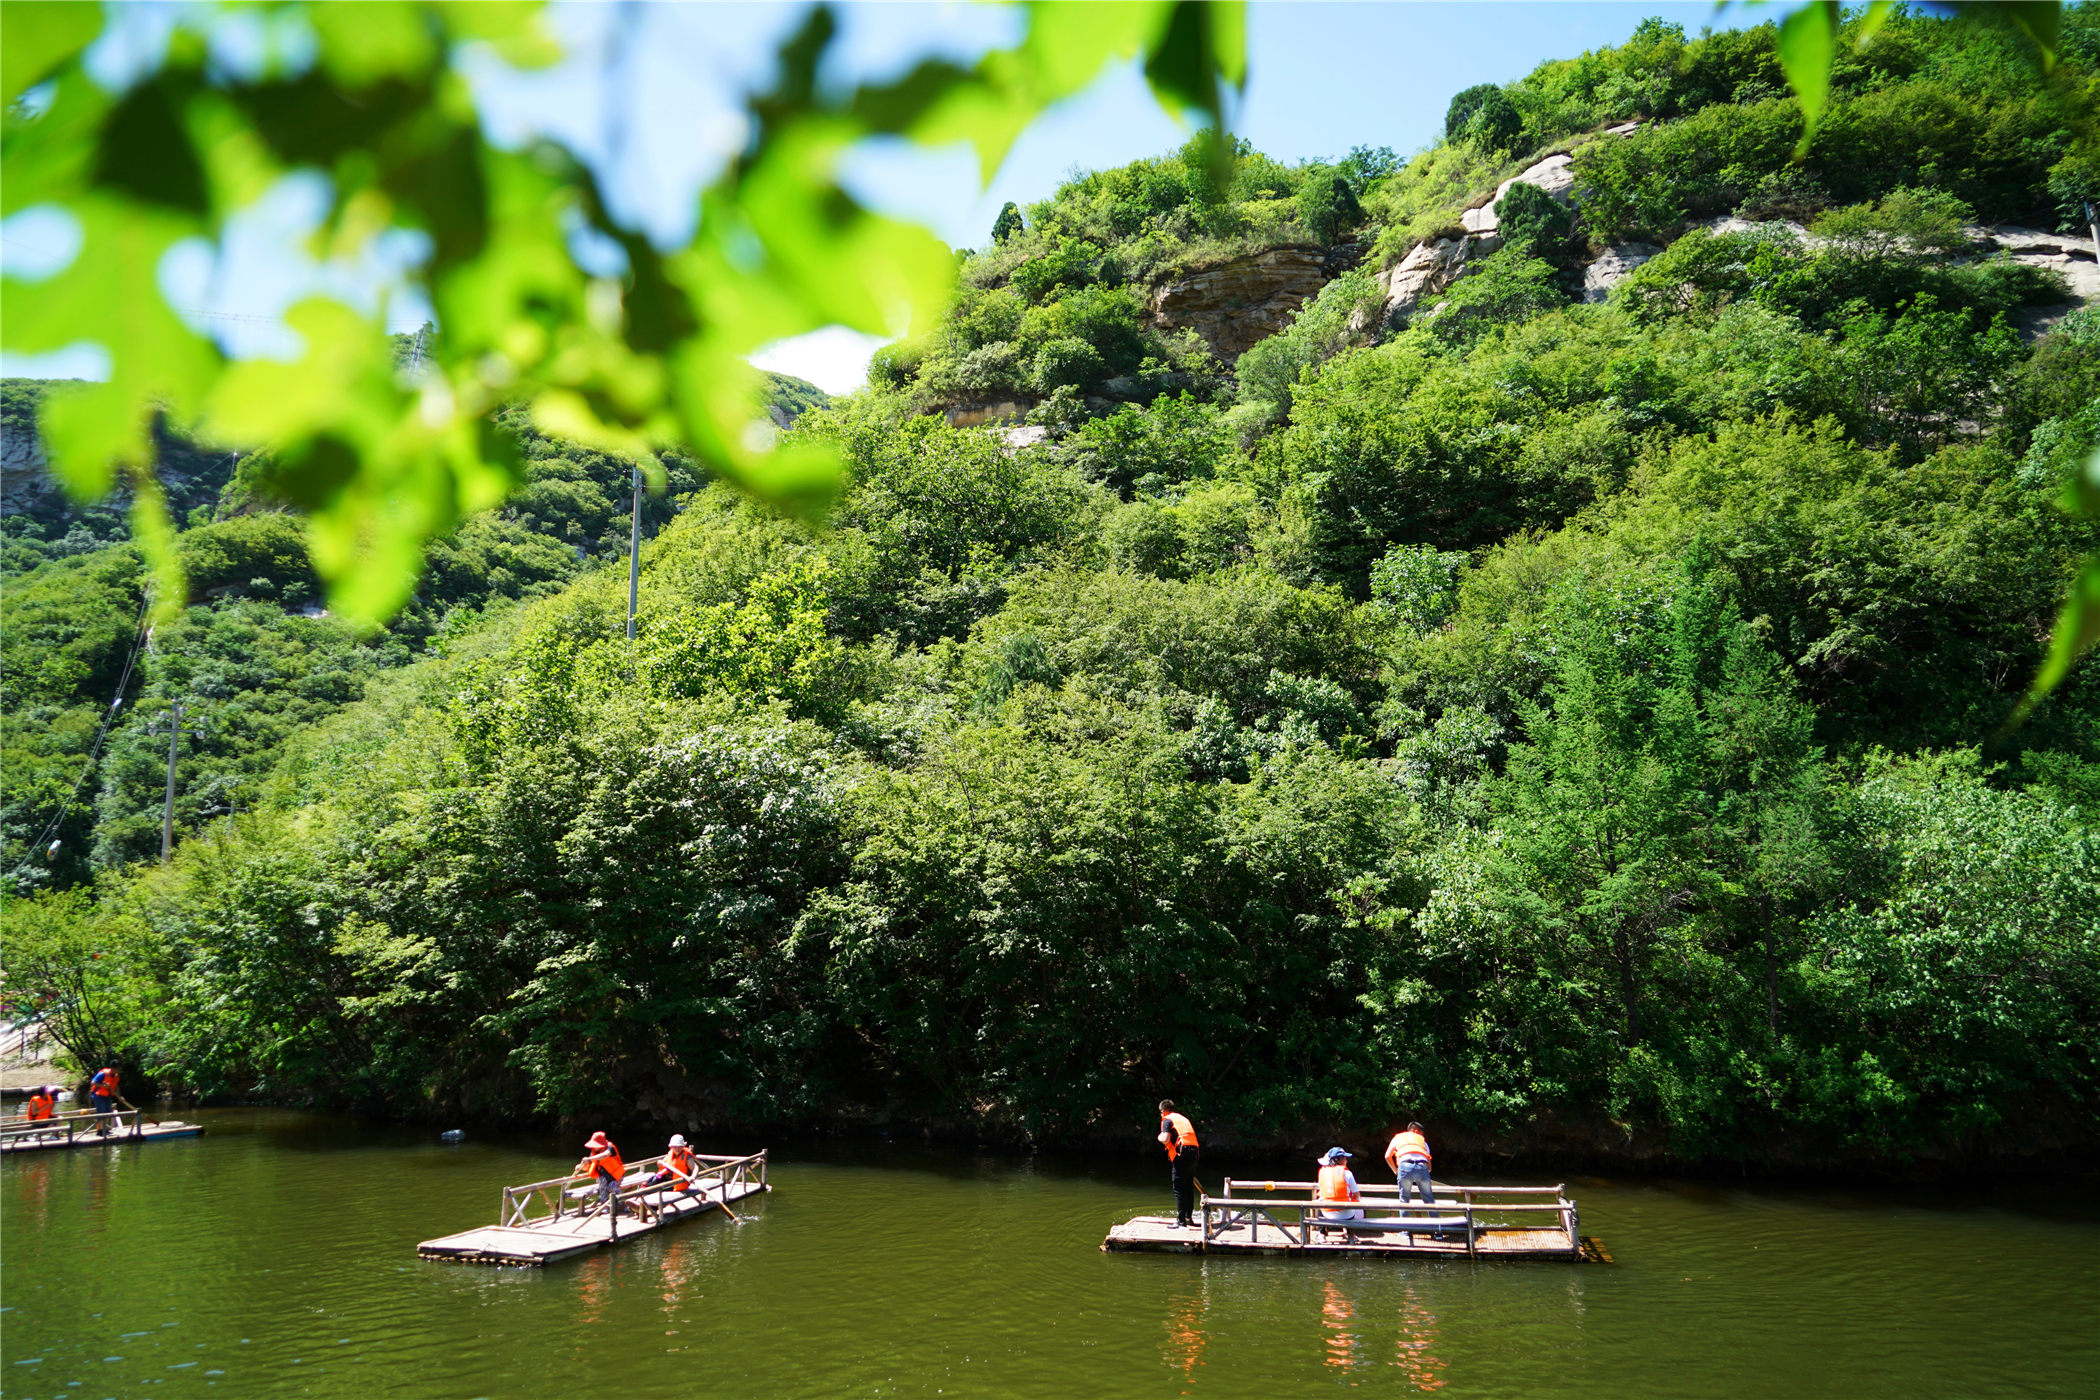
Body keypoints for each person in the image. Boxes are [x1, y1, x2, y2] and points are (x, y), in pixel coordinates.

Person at [1156, 1100, 1201, 1229]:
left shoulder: (1167, 1120)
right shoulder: (1183, 1119)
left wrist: (1159, 1137)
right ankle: (1188, 1218)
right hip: (1194, 1153)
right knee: (1188, 1187)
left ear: (1163, 1111)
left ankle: (1180, 1221)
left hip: (1182, 1154)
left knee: (1179, 1188)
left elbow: (1164, 1138)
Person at [574, 1131, 627, 1239]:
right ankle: (604, 1206)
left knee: (611, 1187)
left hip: (616, 1176)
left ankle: (623, 1203)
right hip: (604, 1176)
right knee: (602, 1182)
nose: (594, 1148)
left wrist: (589, 1159)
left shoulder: (610, 1148)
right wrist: (580, 1166)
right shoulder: (593, 1152)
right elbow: (588, 1165)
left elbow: (605, 1155)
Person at [1384, 1121, 1435, 1216]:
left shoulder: (1397, 1138)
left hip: (1405, 1165)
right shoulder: (1423, 1141)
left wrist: (1395, 1170)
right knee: (1429, 1199)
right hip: (1422, 1165)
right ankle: (1437, 1228)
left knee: (1404, 1200)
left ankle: (1405, 1230)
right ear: (1416, 1131)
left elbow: (1387, 1156)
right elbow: (1429, 1168)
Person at [1316, 1147, 1364, 1227]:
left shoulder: (1322, 1173)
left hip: (1327, 1214)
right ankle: (1350, 1233)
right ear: (1337, 1160)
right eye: (1344, 1158)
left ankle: (1322, 1234)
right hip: (1347, 1215)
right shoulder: (1347, 1173)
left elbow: (1322, 1193)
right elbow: (1356, 1194)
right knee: (1356, 1202)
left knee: (1320, 1201)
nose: (1346, 1160)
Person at [87, 1066, 135, 1135]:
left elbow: (116, 1086)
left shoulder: (116, 1076)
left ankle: (104, 1129)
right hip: (99, 1095)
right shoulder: (103, 1074)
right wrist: (103, 1086)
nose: (119, 1070)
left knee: (108, 1113)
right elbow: (93, 1082)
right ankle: (99, 1131)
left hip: (107, 1096)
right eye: (118, 1068)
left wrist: (119, 1096)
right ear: (113, 1068)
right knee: (101, 1113)